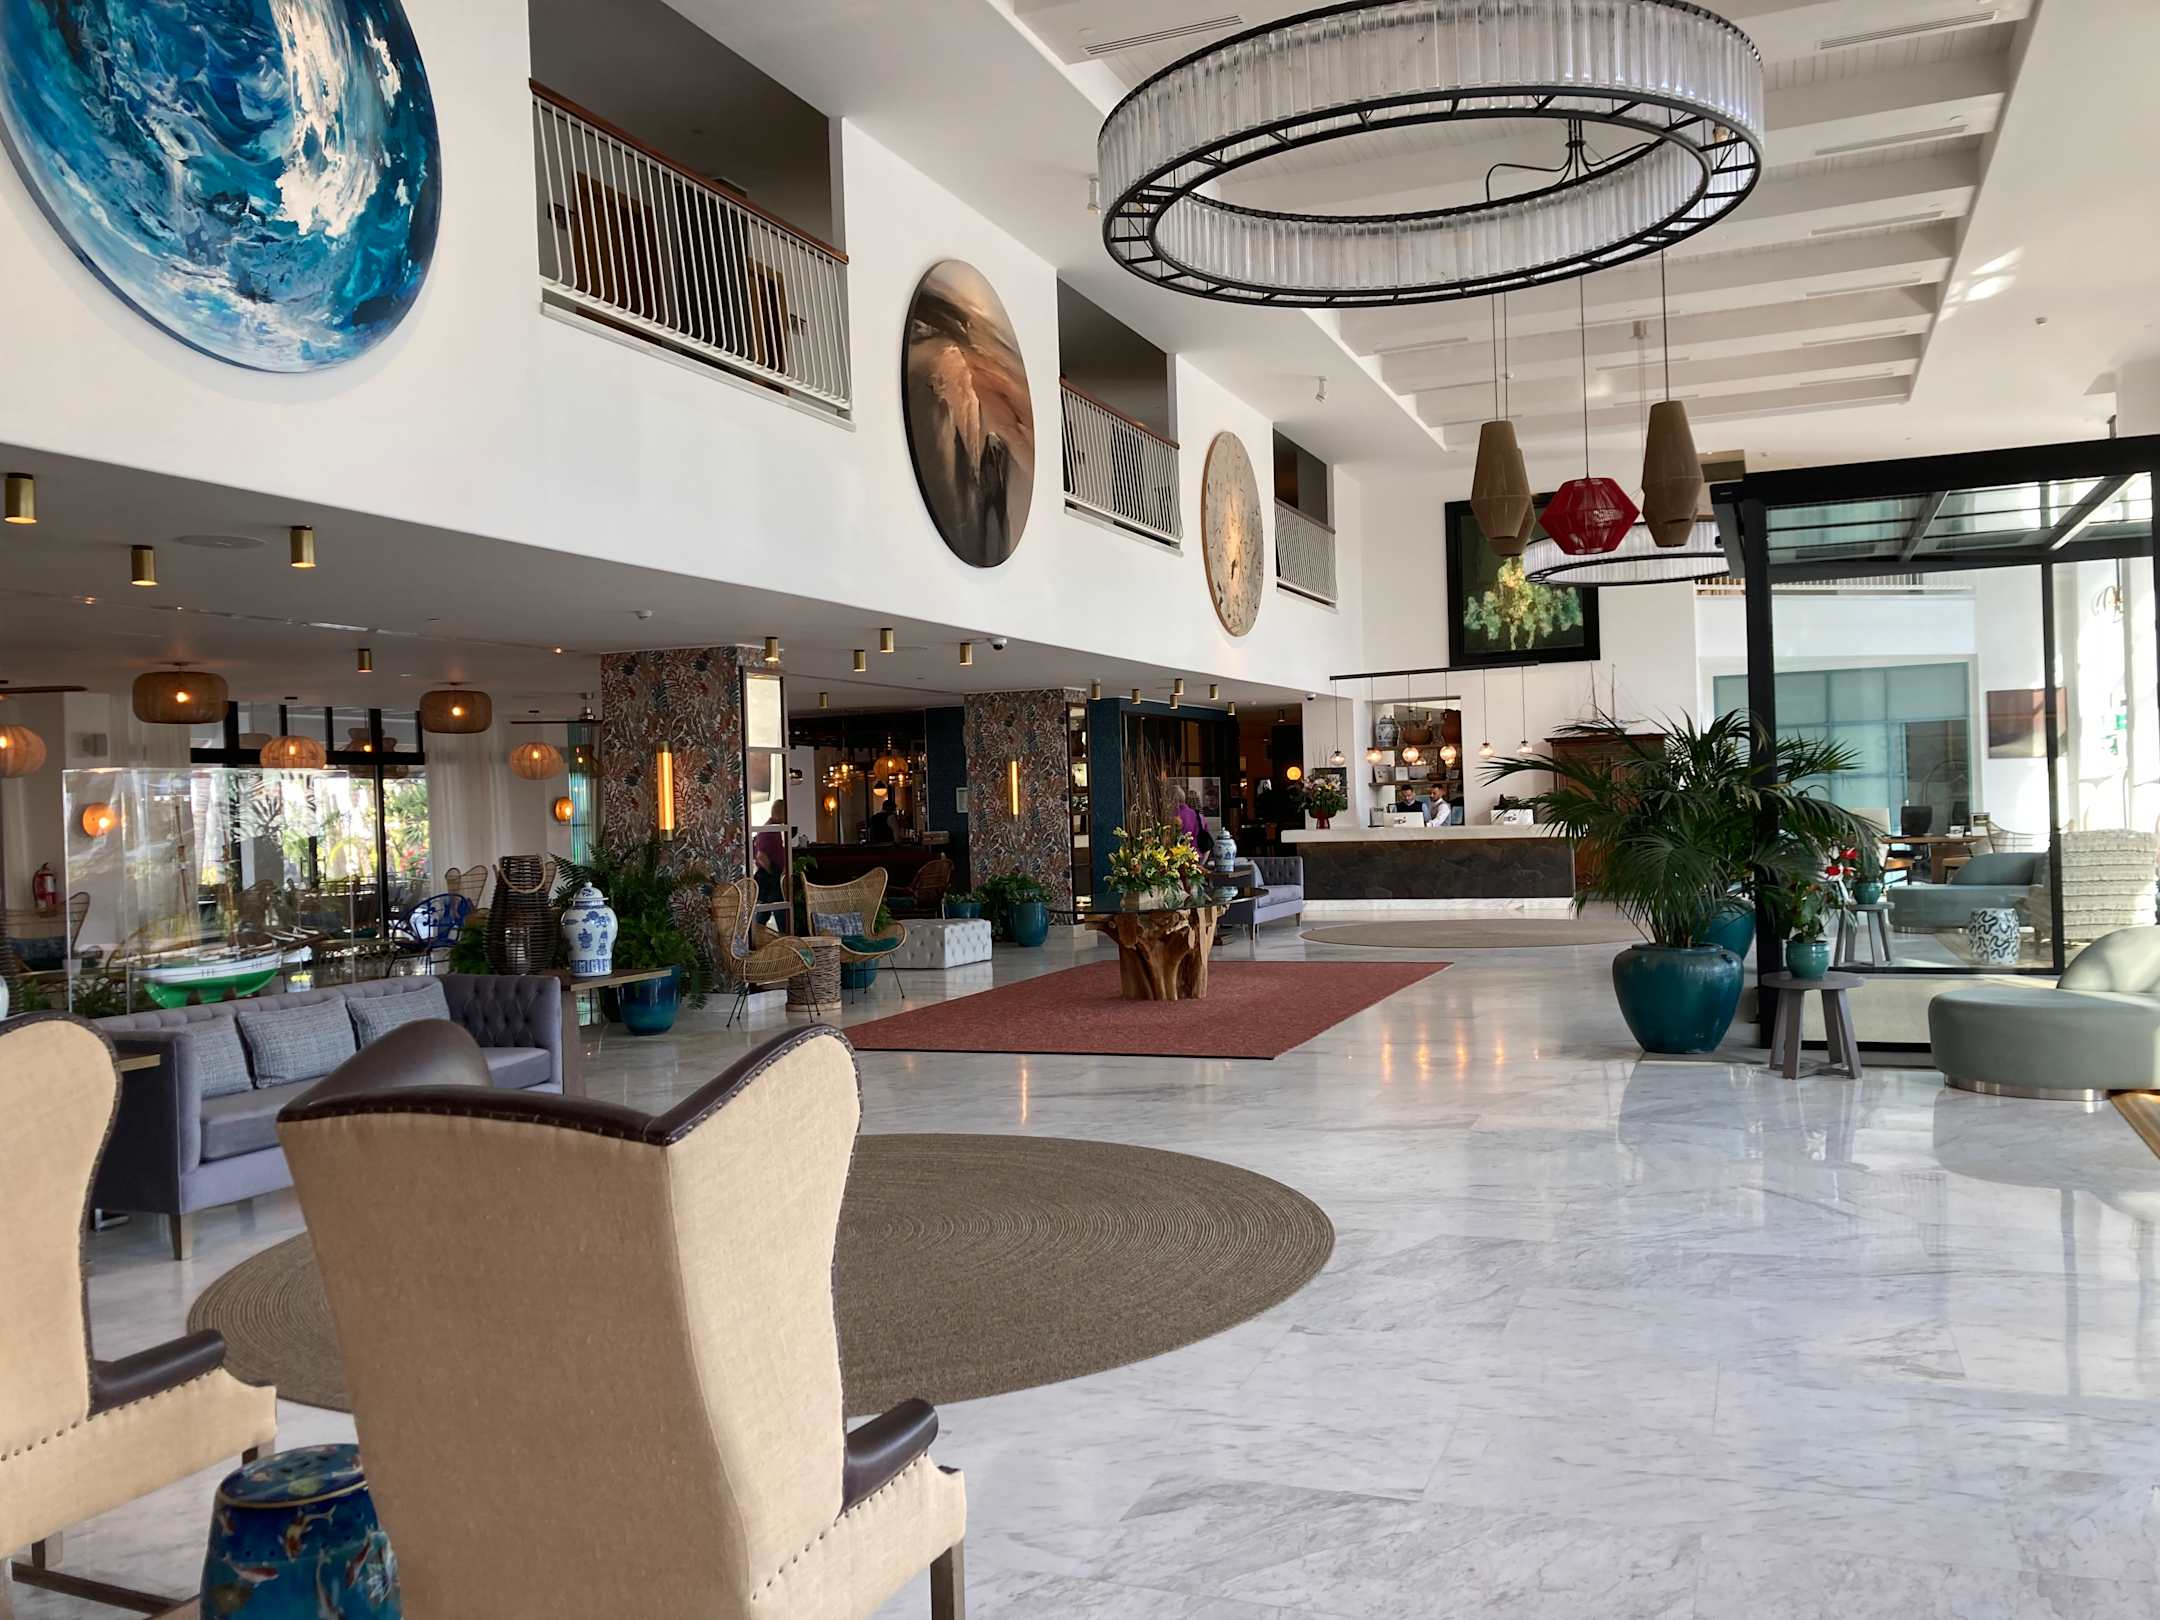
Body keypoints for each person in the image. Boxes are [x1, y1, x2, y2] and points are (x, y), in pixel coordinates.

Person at [751, 802, 788, 910]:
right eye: (785, 812)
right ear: (778, 813)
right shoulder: (768, 831)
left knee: (766, 910)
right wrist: (773, 873)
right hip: (769, 876)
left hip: (771, 875)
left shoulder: (774, 829)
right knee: (778, 908)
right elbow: (760, 856)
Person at [1175, 785, 1207, 856]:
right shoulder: (1199, 817)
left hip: (1177, 856)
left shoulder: (1173, 816)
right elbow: (1207, 845)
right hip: (1195, 856)